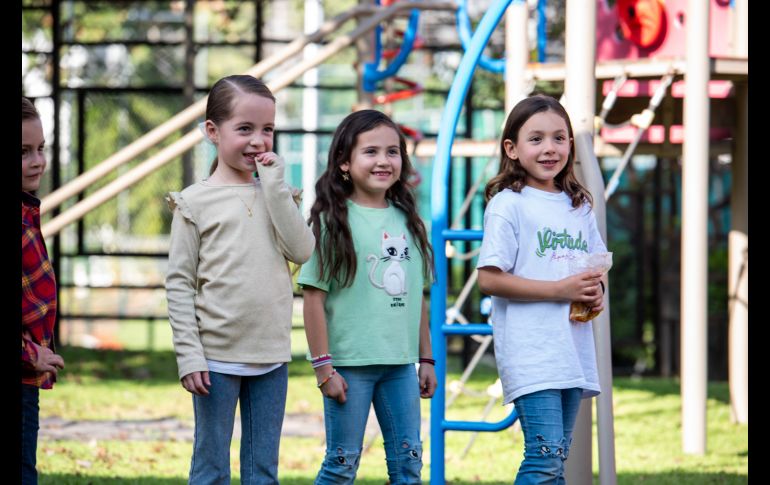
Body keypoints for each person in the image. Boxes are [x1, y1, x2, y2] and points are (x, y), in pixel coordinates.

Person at [165, 74, 315, 484]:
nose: (258, 141)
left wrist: (276, 189)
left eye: (267, 129)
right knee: (211, 467)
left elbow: (302, 251)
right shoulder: (193, 202)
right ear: (213, 131)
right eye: (245, 129)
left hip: (272, 356)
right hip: (214, 359)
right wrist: (190, 356)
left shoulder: (279, 195)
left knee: (263, 470)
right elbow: (179, 284)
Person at [298, 109, 437, 484]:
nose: (384, 161)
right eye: (371, 151)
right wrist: (323, 369)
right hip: (347, 367)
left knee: (409, 466)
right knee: (341, 465)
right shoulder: (330, 221)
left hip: (400, 367)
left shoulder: (410, 222)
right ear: (345, 162)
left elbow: (417, 298)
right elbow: (313, 300)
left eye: (393, 152)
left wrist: (426, 359)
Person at [476, 94, 607, 484]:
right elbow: (489, 279)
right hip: (532, 352)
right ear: (512, 149)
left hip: (573, 351)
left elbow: (595, 268)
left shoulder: (579, 205)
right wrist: (561, 289)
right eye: (536, 139)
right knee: (545, 457)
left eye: (559, 138)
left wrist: (596, 290)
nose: (550, 148)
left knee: (555, 460)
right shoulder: (508, 204)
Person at [22, 96, 66, 485]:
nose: (37, 161)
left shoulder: (27, 213)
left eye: (41, 149)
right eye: (23, 152)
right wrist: (28, 353)